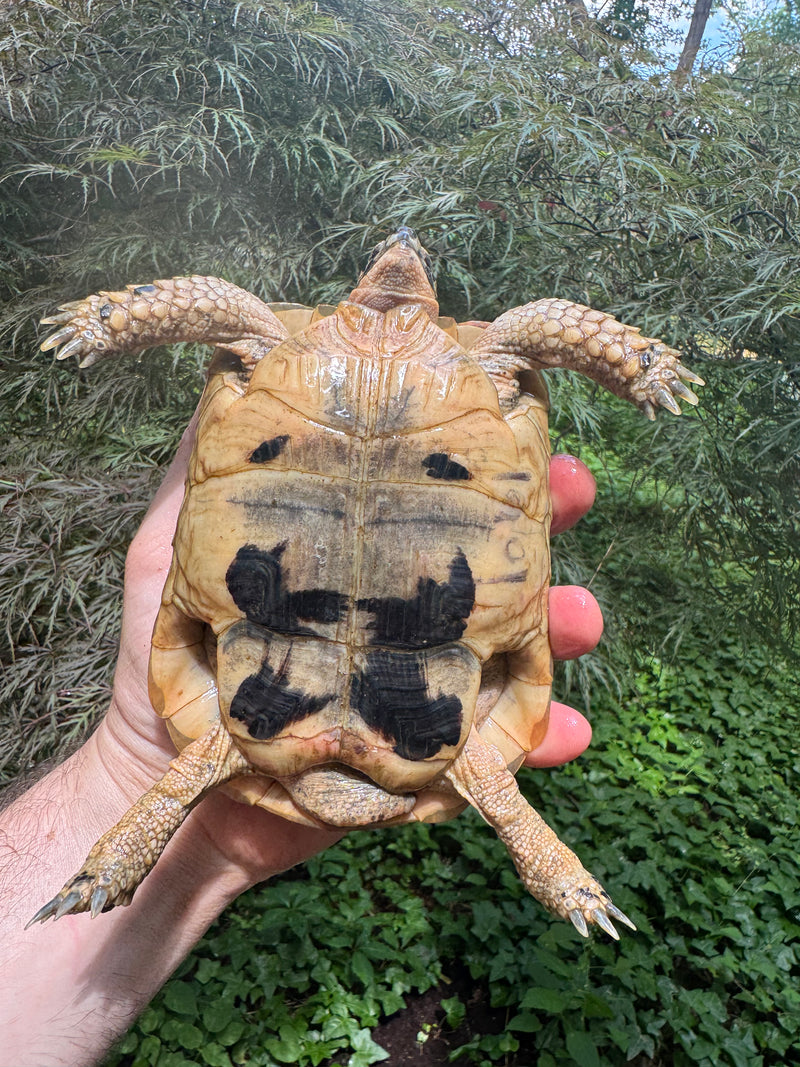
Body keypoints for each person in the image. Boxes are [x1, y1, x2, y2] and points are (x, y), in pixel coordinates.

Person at [0, 425, 603, 1067]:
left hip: (293, 431)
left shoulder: (228, 744)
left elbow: (169, 792)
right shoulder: (461, 758)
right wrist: (563, 879)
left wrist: (111, 859)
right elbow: (512, 816)